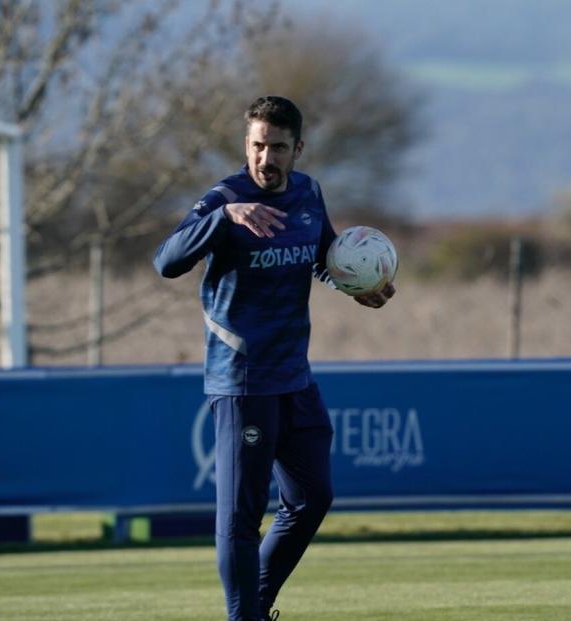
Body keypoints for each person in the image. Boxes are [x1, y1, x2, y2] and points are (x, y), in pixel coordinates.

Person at [153, 95, 395, 621]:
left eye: (278, 147)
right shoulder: (226, 198)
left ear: (297, 149)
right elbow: (167, 262)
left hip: (295, 378)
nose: (266, 157)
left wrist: (356, 284)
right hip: (242, 381)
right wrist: (224, 217)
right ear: (247, 145)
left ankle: (255, 605)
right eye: (258, 145)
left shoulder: (308, 193)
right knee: (241, 518)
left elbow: (323, 257)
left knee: (312, 497)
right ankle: (245, 616)